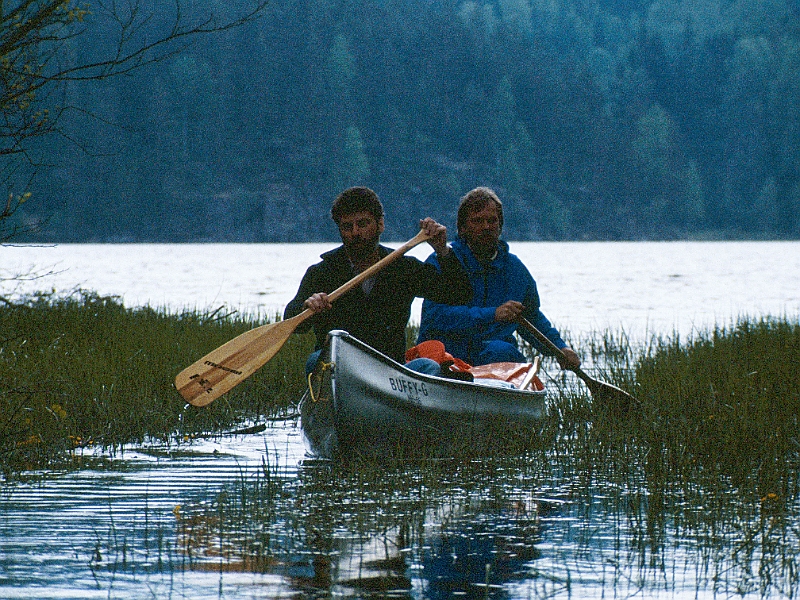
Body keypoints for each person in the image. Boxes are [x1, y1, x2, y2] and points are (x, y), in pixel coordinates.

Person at [284, 186, 472, 374]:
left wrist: (442, 250)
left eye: (363, 224)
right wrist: (306, 308)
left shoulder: (403, 268)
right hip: (341, 367)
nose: (355, 232)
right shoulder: (322, 272)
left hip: (391, 370)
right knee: (316, 360)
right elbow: (291, 322)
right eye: (347, 227)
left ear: (380, 224)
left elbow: (460, 294)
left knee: (428, 367)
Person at [416, 186, 581, 369]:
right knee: (495, 350)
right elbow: (435, 316)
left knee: (502, 351)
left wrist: (561, 348)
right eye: (477, 221)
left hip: (494, 357)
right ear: (462, 228)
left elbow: (531, 317)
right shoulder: (442, 260)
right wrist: (493, 314)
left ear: (500, 226)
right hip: (447, 356)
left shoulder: (515, 270)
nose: (486, 227)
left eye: (492, 221)